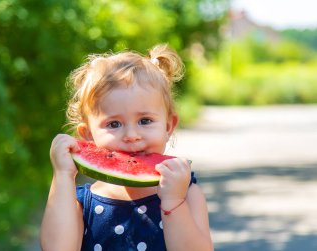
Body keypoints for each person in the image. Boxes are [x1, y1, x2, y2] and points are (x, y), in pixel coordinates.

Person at [40, 44, 213, 251]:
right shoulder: (80, 202)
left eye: (145, 121)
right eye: (114, 124)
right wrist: (62, 176)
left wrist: (173, 202)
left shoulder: (186, 192)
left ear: (168, 126)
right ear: (87, 135)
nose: (131, 136)